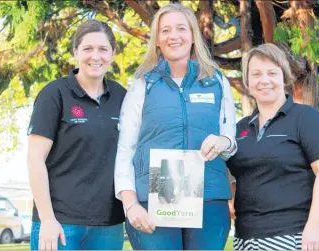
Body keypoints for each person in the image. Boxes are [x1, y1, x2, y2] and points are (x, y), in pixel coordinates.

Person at [114, 3, 237, 250]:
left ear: (192, 35)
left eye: (181, 28)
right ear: (157, 40)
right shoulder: (142, 85)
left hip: (209, 200)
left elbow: (230, 141)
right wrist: (130, 203)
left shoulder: (216, 81)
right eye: (165, 30)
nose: (174, 36)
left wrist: (223, 142)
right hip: (152, 201)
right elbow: (126, 149)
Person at [27, 20, 126, 250]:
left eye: (103, 49)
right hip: (60, 224)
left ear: (112, 53)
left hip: (108, 226)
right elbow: (35, 159)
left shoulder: (122, 97)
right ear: (75, 52)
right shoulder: (54, 94)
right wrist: (48, 220)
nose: (95, 56)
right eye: (88, 49)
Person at [227, 43, 319, 250]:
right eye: (256, 74)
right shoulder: (239, 129)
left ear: (284, 77)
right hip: (245, 238)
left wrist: (313, 226)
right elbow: (232, 175)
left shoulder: (306, 118)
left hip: (294, 235)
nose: (264, 80)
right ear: (247, 81)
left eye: (272, 73)